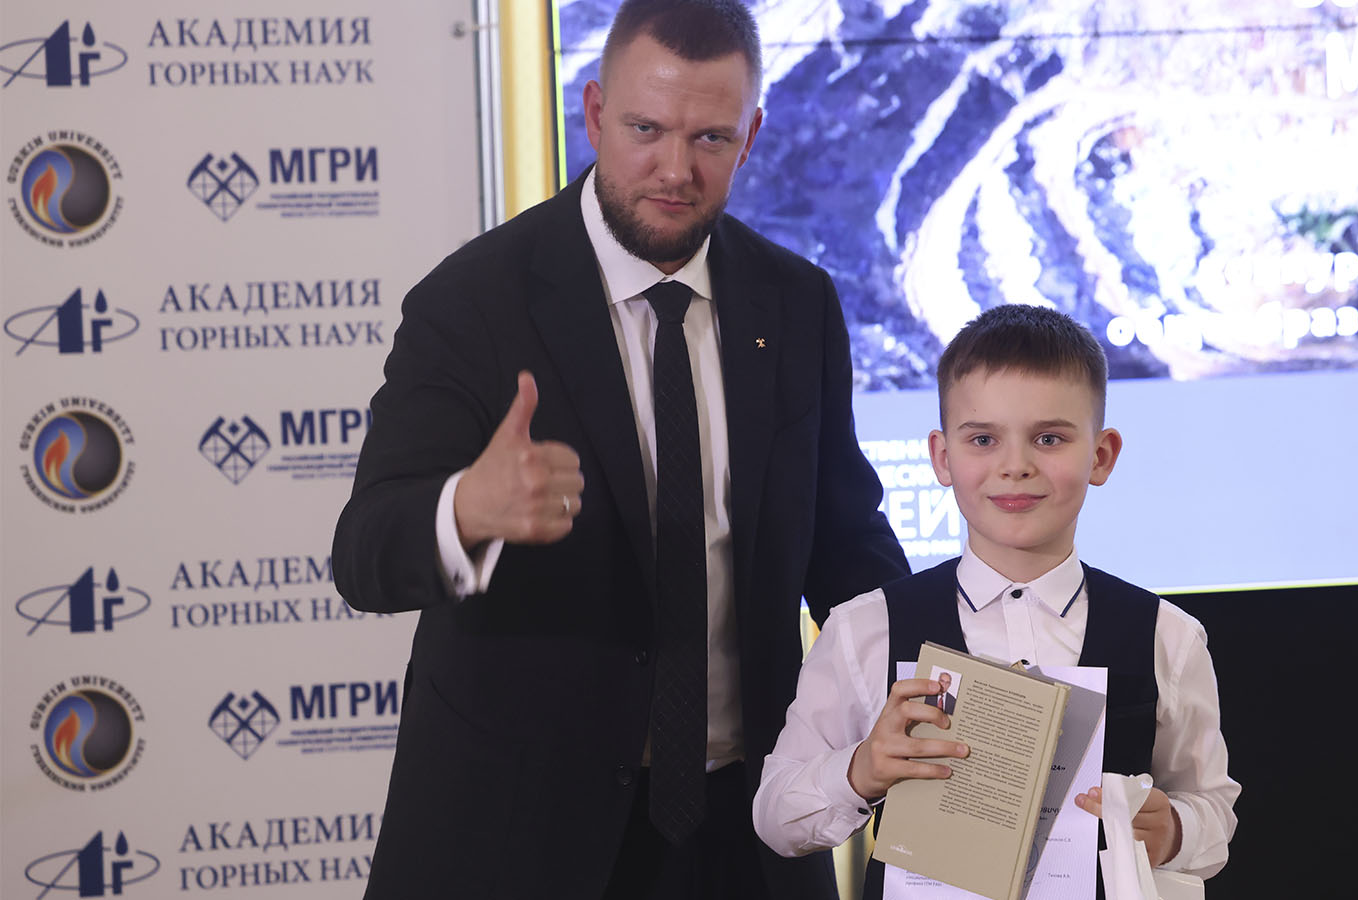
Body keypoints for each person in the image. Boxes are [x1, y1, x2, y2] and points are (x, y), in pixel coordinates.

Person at [330, 0, 909, 896]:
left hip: (747, 830)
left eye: (710, 138)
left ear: (751, 137)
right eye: (647, 130)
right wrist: (466, 511)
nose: (676, 169)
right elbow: (363, 554)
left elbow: (845, 545)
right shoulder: (473, 303)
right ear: (596, 113)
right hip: (521, 840)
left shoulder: (796, 304)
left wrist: (950, 669)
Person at [752, 304, 1240, 894]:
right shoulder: (865, 628)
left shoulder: (1167, 634)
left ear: (1101, 455)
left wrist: (1177, 830)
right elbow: (775, 816)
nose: (1015, 467)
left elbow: (1213, 807)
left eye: (1049, 438)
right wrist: (859, 771)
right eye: (983, 439)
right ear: (941, 457)